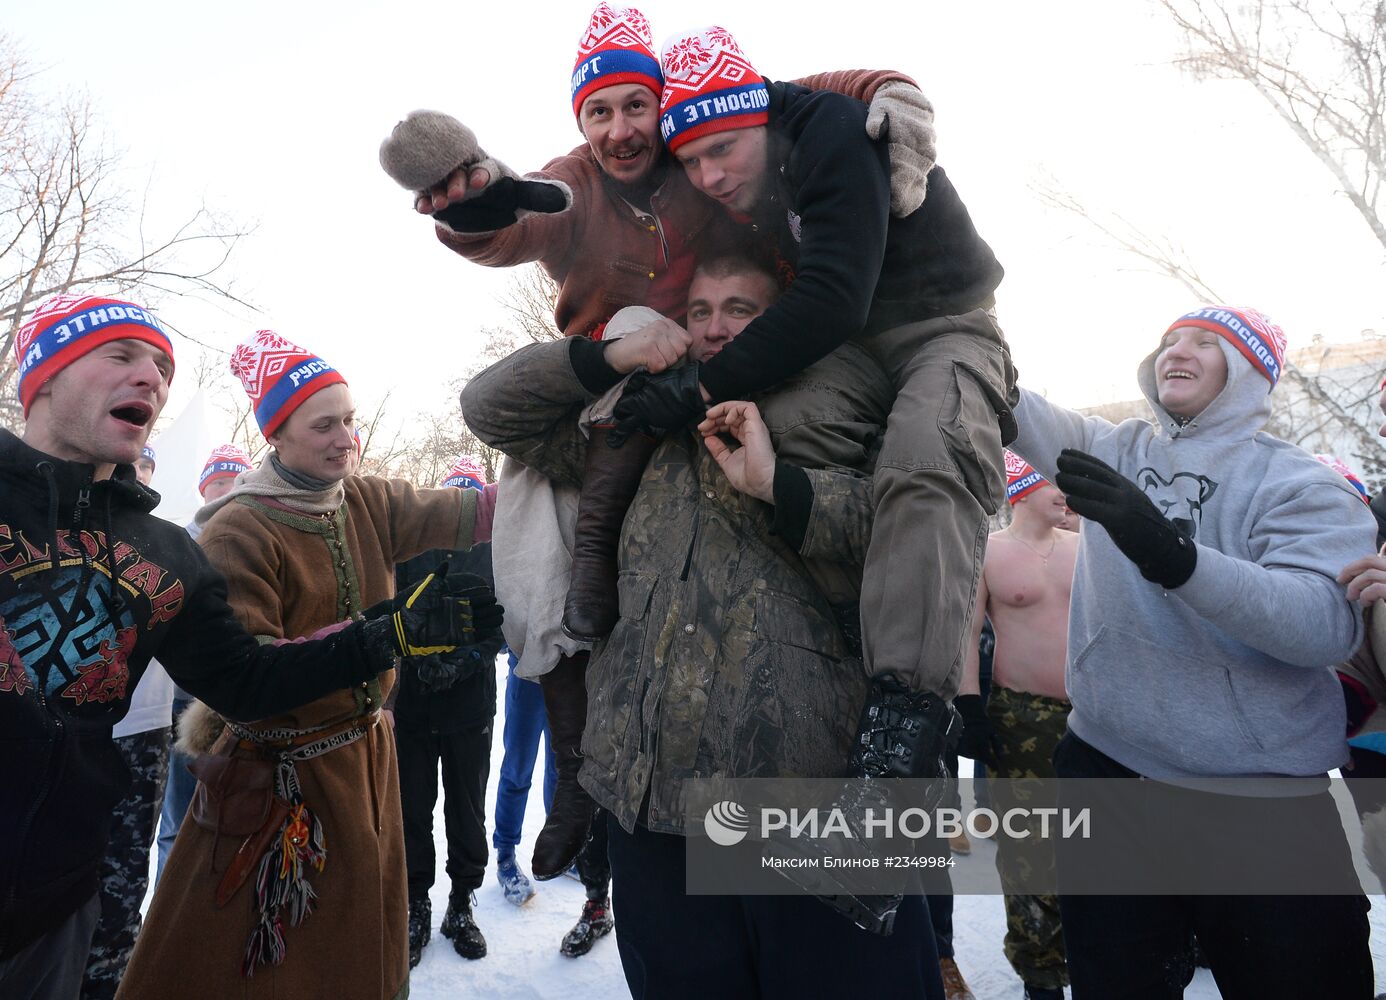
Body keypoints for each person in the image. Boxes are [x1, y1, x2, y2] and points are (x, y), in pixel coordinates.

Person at [378, 2, 934, 880]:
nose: (622, 129)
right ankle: (575, 767)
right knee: (528, 519)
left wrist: (889, 90)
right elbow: (527, 217)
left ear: (664, 107)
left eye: (637, 106)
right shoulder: (575, 182)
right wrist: (476, 207)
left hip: (694, 377)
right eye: (599, 112)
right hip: (608, 384)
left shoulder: (692, 154)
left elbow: (790, 97)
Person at [463, 251, 947, 998]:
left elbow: (911, 529)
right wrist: (612, 354)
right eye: (699, 311)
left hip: (800, 788)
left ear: (784, 315)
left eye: (740, 310)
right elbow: (491, 407)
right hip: (649, 793)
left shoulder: (848, 395)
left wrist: (776, 485)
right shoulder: (633, 422)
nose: (715, 327)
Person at [0, 294, 495, 1000]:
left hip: (59, 897)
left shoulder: (162, 552)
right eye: (121, 355)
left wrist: (389, 635)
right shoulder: (235, 529)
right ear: (43, 376)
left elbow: (246, 681)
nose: (152, 378)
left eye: (161, 366)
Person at [1009, 305, 1374, 998]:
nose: (1178, 351)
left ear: (1250, 373)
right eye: (1170, 340)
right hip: (1106, 774)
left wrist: (1177, 559)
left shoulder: (1300, 484)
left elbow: (1324, 626)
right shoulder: (1111, 448)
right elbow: (1006, 399)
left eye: (1208, 343)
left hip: (1255, 803)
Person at [954, 452, 1077, 1000]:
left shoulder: (1085, 547)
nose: (1065, 494)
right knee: (1031, 851)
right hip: (1020, 715)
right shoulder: (987, 551)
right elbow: (964, 632)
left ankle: (1102, 953)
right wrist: (969, 705)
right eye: (1054, 483)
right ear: (1023, 486)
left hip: (1095, 718)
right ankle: (1042, 972)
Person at [393, 456, 504, 967]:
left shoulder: (496, 550)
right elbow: (388, 613)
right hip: (414, 705)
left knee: (466, 810)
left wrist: (468, 661)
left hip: (469, 708)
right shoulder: (412, 549)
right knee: (412, 809)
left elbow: (506, 624)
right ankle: (416, 901)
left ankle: (461, 902)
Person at [155, 444, 255, 883]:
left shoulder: (258, 540)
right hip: (184, 707)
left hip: (245, 705)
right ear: (203, 490)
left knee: (241, 818)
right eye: (218, 485)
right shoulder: (180, 542)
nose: (226, 495)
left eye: (236, 485)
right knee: (178, 823)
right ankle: (168, 918)